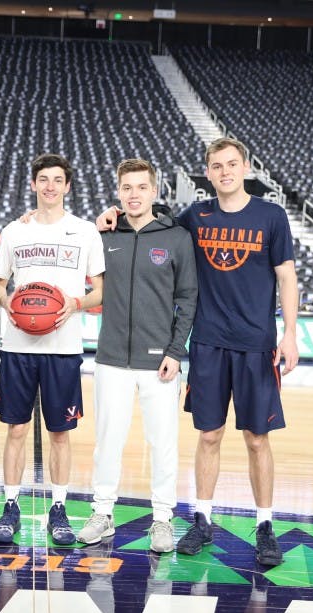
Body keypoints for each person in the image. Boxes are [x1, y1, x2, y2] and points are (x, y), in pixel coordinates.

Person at [98, 137, 299, 566]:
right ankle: (202, 519)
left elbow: (286, 278)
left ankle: (264, 525)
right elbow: (147, 220)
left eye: (232, 164)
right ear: (207, 173)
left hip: (256, 344)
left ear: (245, 167)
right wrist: (111, 215)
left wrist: (291, 334)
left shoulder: (271, 216)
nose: (225, 172)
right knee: (208, 436)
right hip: (207, 343)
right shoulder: (194, 216)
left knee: (257, 438)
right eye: (216, 166)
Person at [76, 159, 197, 554]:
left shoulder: (176, 237)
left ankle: (162, 518)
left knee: (162, 443)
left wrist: (176, 351)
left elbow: (188, 299)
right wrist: (95, 227)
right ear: (118, 191)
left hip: (159, 361)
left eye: (141, 187)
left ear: (154, 191)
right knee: (107, 441)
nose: (133, 194)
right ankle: (103, 513)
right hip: (111, 357)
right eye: (126, 187)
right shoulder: (104, 235)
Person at [0, 153, 105, 546]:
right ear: (34, 184)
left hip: (64, 348)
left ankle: (58, 508)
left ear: (67, 186)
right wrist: (14, 309)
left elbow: (101, 291)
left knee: (59, 433)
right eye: (44, 179)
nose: (51, 186)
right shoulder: (14, 231)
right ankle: (10, 506)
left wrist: (74, 304)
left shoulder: (86, 231)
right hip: (18, 346)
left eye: (58, 180)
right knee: (15, 429)